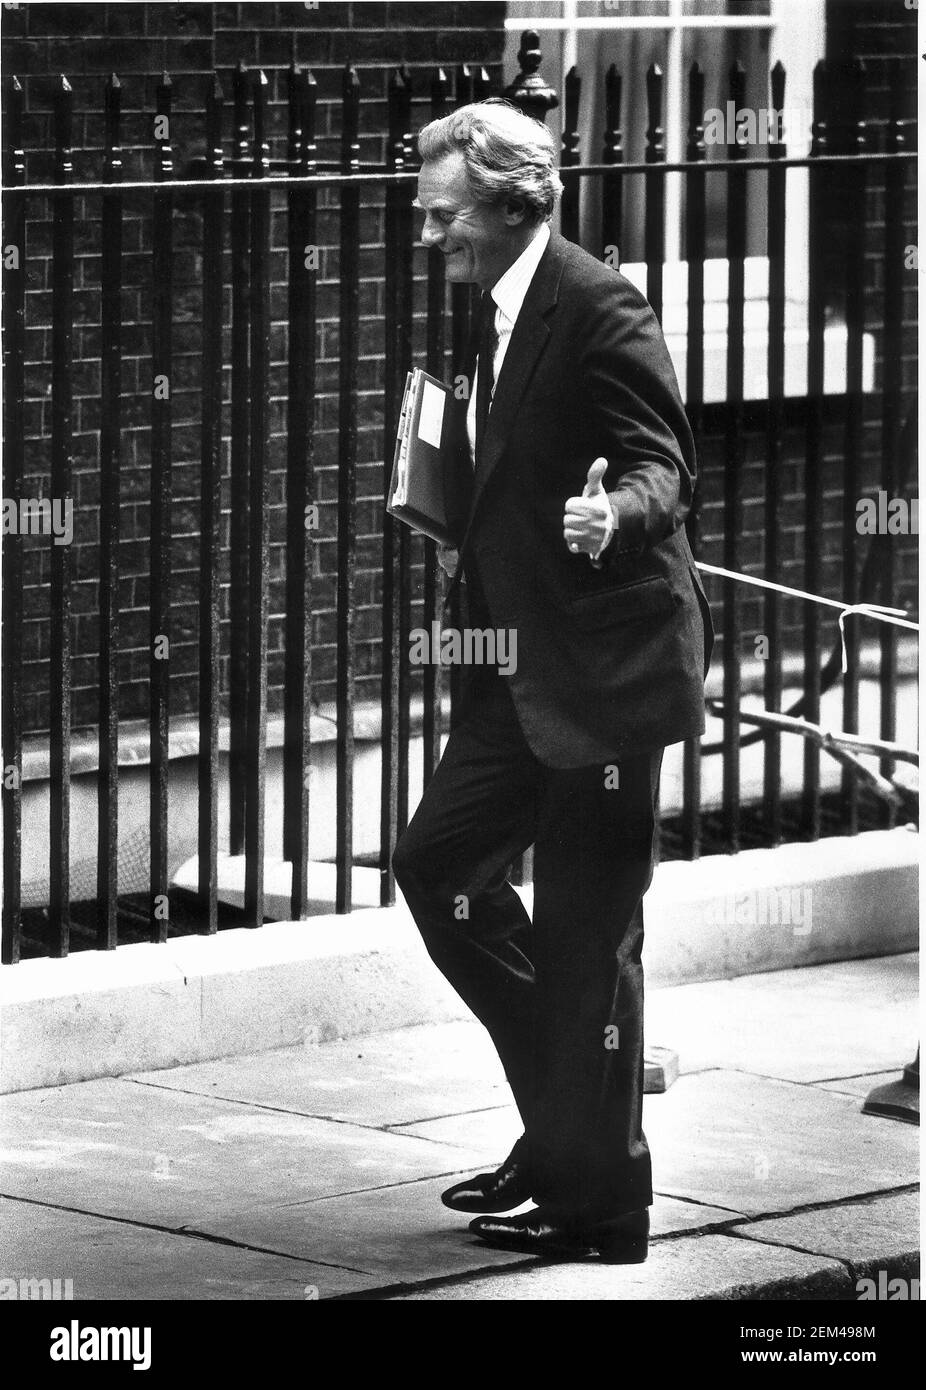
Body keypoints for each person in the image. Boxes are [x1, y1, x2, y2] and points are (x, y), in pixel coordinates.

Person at [392, 99, 713, 1263]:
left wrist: (609, 515)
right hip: (515, 670)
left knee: (589, 940)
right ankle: (567, 1128)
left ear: (509, 203)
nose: (429, 238)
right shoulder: (490, 305)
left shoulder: (595, 302)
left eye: (443, 218)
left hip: (609, 673)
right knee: (438, 869)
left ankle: (603, 1207)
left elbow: (663, 465)